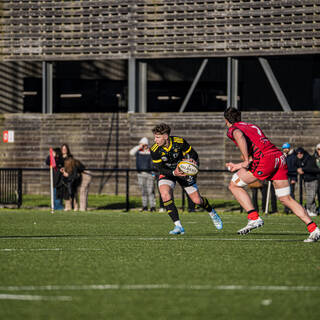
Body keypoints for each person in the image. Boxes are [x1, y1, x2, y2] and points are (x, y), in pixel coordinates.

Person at [224, 107, 319, 242]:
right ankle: (313, 228)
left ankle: (254, 218)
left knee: (234, 185)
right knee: (286, 198)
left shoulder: (233, 129)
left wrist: (245, 160)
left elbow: (239, 135)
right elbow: (260, 146)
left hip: (265, 160)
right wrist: (240, 164)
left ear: (226, 121)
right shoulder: (251, 125)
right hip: (278, 157)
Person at [150, 123, 223, 235]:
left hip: (184, 171)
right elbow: (159, 168)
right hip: (168, 173)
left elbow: (193, 154)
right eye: (155, 137)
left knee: (197, 200)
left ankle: (212, 213)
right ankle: (178, 226)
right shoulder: (155, 150)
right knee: (165, 195)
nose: (155, 140)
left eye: (158, 137)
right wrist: (174, 172)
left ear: (165, 136)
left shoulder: (179, 142)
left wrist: (193, 161)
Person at [129, 137, 156, 212]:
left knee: (150, 191)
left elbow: (153, 163)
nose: (144, 146)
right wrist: (139, 146)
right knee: (143, 191)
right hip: (140, 174)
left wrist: (153, 174)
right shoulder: (138, 152)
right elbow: (131, 152)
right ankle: (144, 206)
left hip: (150, 174)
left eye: (145, 144)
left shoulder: (151, 152)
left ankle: (152, 207)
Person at [296, 147, 320, 217]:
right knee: (309, 196)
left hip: (313, 180)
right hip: (306, 180)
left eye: (300, 153)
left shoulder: (309, 159)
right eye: (298, 153)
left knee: (311, 197)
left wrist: (303, 169)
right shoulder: (299, 160)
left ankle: (310, 210)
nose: (299, 155)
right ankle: (312, 210)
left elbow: (314, 169)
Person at [282, 143, 297, 213]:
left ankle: (293, 209)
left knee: (291, 194)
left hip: (291, 177)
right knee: (285, 194)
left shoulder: (293, 156)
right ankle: (286, 209)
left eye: (287, 148)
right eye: (284, 148)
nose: (285, 150)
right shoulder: (283, 156)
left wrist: (294, 178)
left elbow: (294, 168)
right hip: (284, 177)